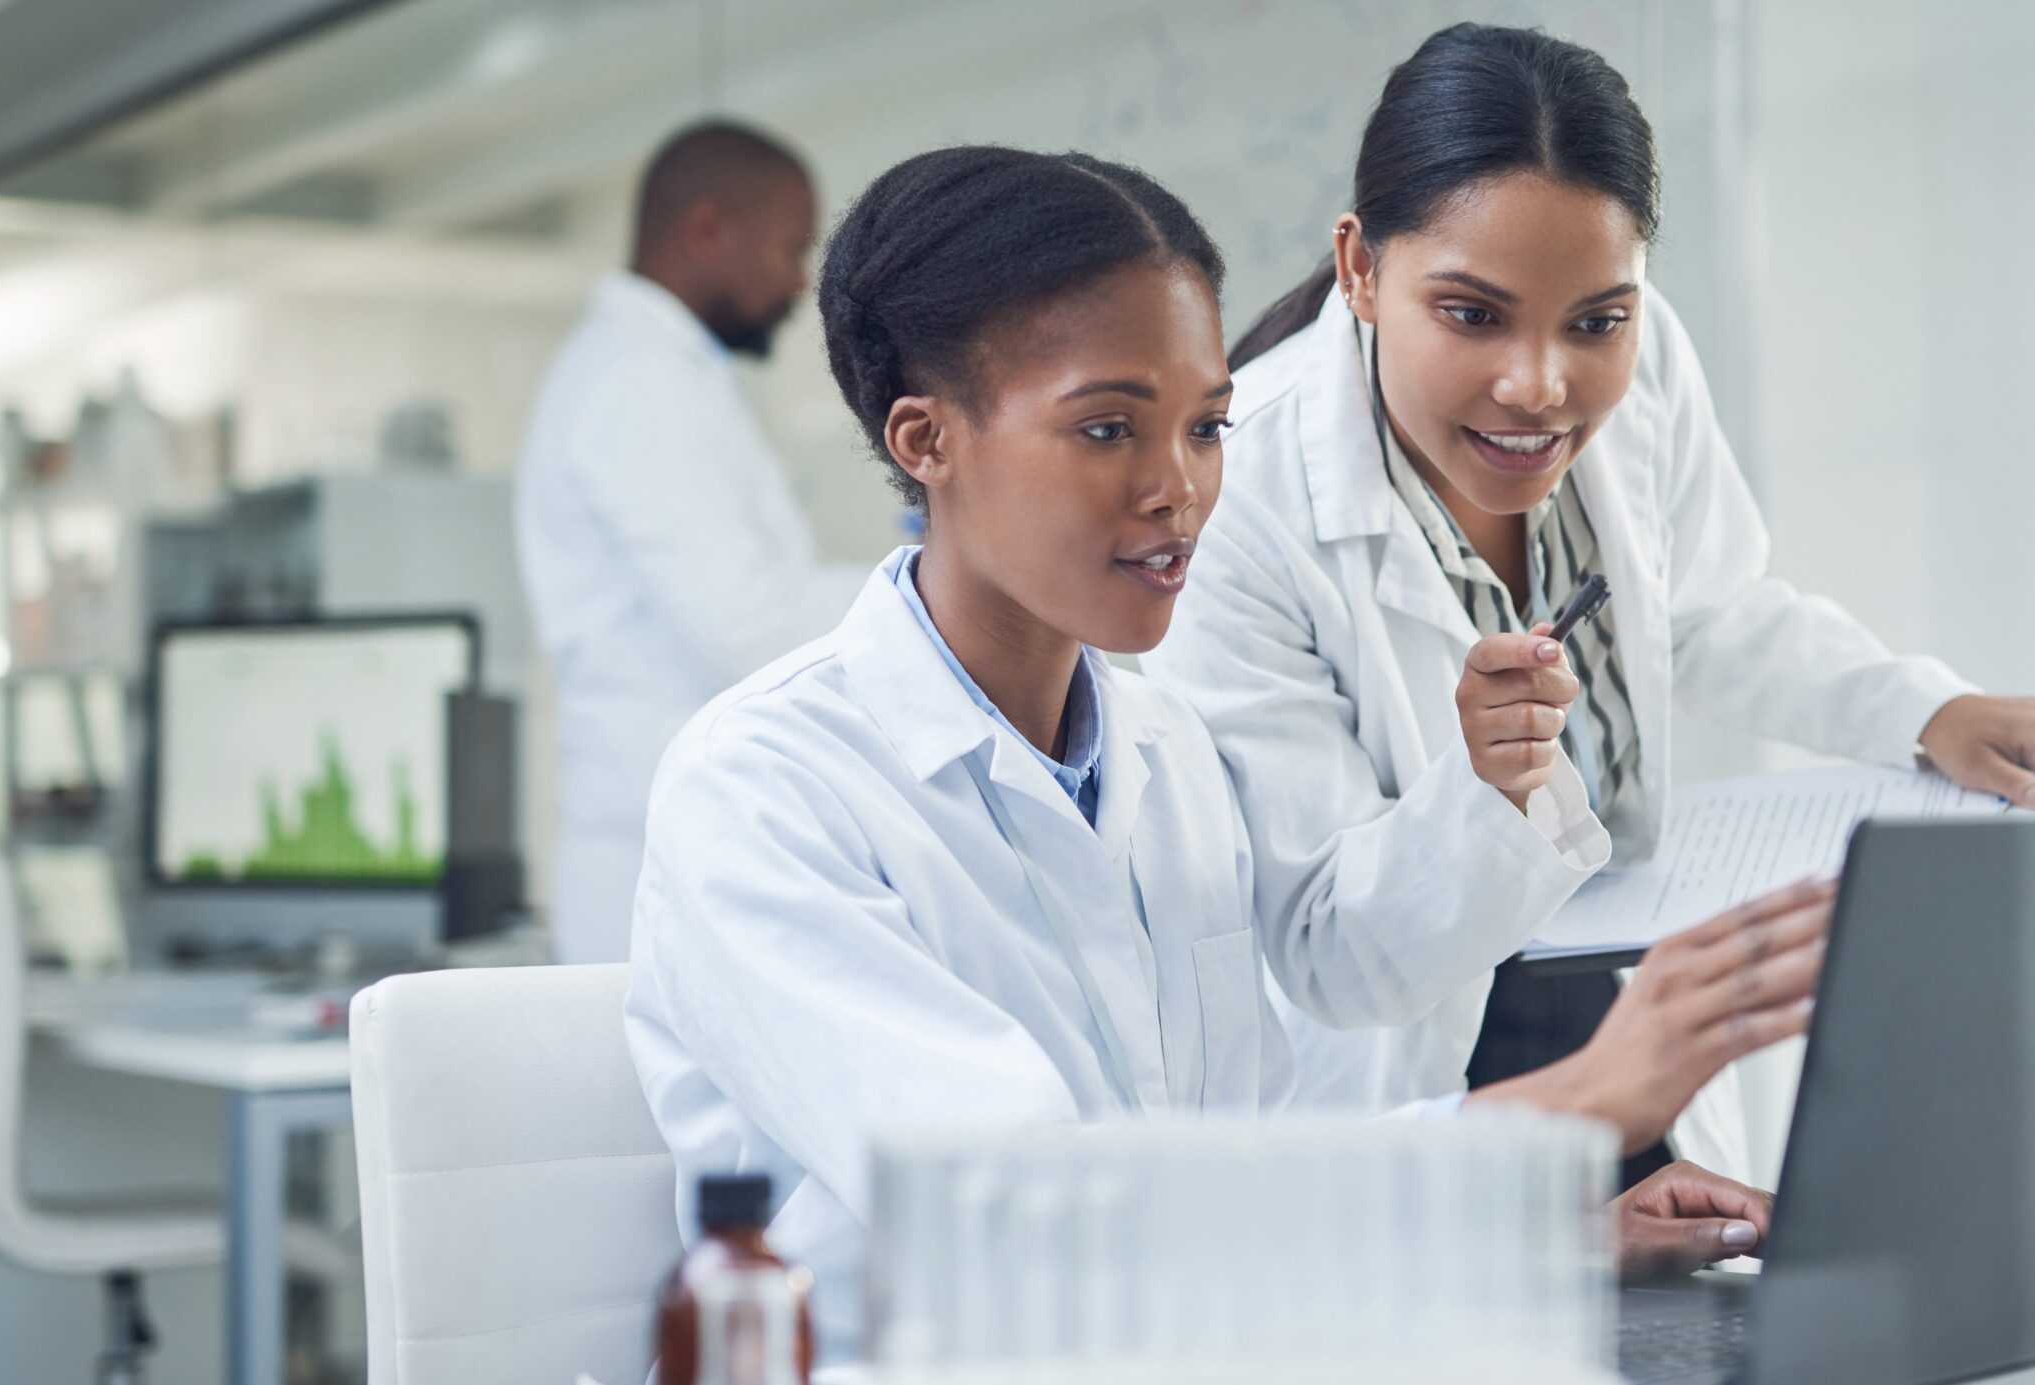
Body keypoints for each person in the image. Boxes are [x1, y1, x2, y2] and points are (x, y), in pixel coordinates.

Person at [626, 144, 1834, 1367]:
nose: (1178, 489)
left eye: (1207, 427)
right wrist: (1568, 1106)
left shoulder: (1165, 757)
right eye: (1108, 428)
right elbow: (1033, 1213)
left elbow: (1248, 1167)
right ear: (926, 439)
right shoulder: (763, 788)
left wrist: (1541, 1234)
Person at [1140, 24, 2035, 1185]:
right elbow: (1330, 951)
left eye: (1596, 320)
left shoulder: (1647, 364)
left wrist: (1918, 709)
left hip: (1625, 1008)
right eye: (1473, 314)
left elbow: (1700, 610)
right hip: (1416, 1079)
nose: (1541, 384)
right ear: (1359, 267)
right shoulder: (1238, 496)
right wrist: (1484, 788)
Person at [517, 121, 868, 962]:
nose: (799, 281)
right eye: (790, 249)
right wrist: (945, 584)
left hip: (677, 848)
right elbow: (745, 630)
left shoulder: (658, 377)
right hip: (658, 864)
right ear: (707, 231)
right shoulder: (639, 384)